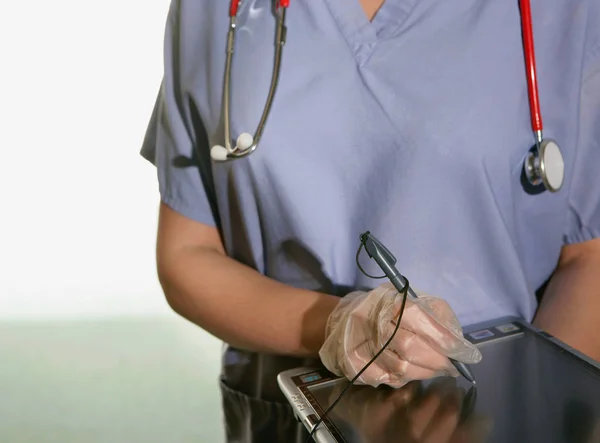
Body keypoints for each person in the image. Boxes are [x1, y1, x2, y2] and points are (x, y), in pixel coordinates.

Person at [140, 0, 600, 441]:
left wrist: (526, 422)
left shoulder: (565, 10)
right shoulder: (218, 8)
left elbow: (589, 258)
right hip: (287, 416)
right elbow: (186, 254)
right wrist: (336, 325)